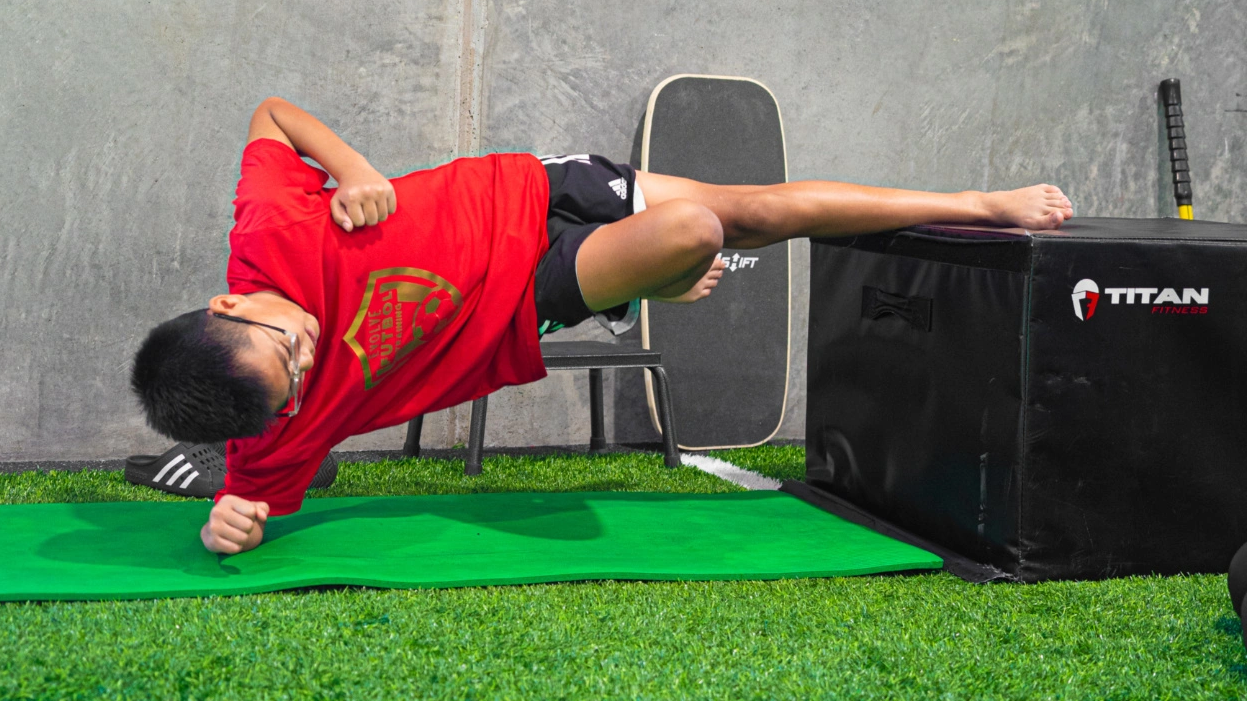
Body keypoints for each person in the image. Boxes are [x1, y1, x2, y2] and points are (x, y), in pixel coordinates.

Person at [132, 97, 1074, 555]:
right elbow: (244, 507)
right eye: (295, 375)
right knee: (703, 231)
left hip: (533, 187)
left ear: (231, 303)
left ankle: (980, 200)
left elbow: (274, 114)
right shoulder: (276, 425)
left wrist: (354, 168)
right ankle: (651, 275)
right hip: (533, 290)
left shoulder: (269, 228)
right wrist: (229, 523)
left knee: (756, 207)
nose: (306, 347)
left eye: (284, 339)